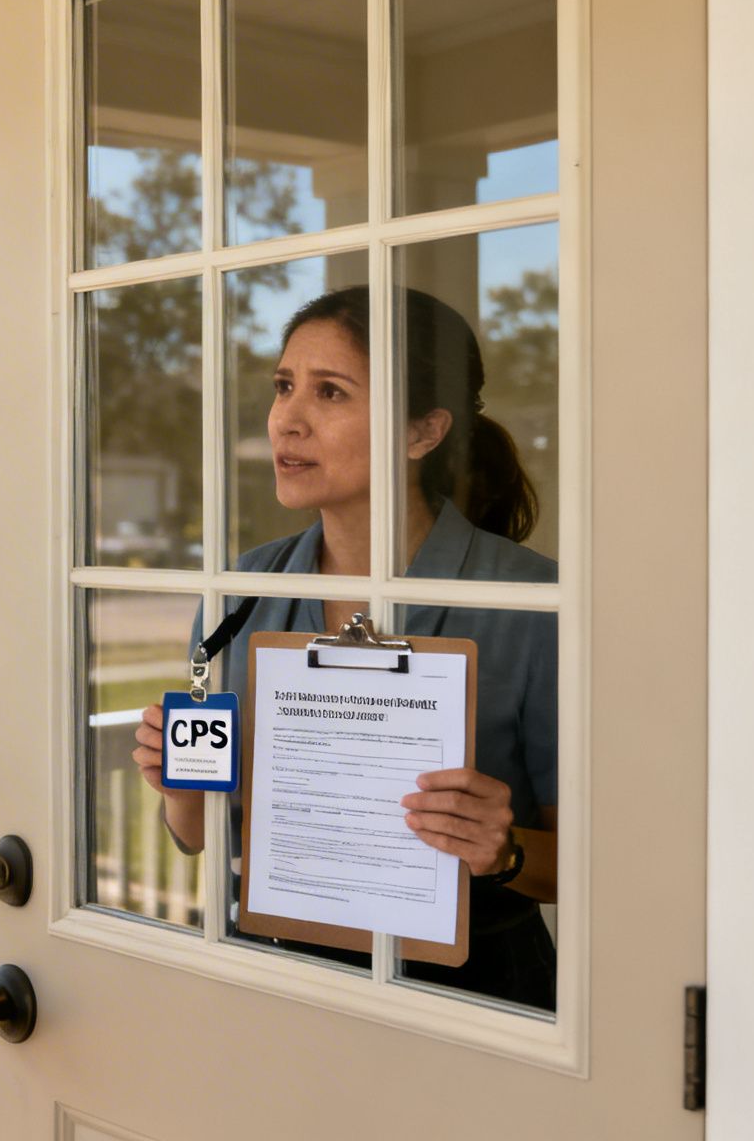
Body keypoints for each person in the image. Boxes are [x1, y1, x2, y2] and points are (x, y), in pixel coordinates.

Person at [131, 285, 560, 1010]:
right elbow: (198, 836)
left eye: (330, 393)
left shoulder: (532, 603)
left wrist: (503, 849)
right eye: (283, 386)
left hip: (477, 996)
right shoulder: (237, 594)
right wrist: (179, 785)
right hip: (279, 982)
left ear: (422, 432)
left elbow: (594, 868)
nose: (286, 421)